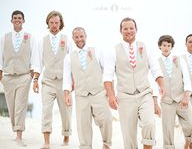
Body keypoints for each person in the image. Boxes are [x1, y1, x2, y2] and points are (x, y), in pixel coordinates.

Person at [103, 17, 164, 149]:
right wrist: (111, 96)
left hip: (144, 93)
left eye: (131, 28)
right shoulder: (113, 50)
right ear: (121, 31)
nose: (128, 31)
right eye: (125, 28)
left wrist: (161, 85)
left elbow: (155, 69)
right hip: (125, 96)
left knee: (149, 124)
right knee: (128, 135)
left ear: (136, 30)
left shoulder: (146, 46)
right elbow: (107, 77)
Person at [63, 27, 112, 149]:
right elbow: (67, 78)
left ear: (85, 36)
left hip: (99, 92)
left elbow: (107, 72)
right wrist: (66, 94)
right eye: (76, 37)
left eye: (81, 36)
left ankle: (106, 144)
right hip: (81, 95)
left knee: (106, 119)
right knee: (82, 125)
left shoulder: (97, 51)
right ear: (73, 38)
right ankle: (85, 146)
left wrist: (111, 92)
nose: (79, 39)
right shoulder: (69, 57)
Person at [33, 10, 72, 149]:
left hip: (64, 82)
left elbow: (72, 62)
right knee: (46, 110)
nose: (54, 25)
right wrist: (36, 79)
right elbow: (37, 62)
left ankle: (66, 137)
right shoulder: (41, 40)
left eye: (56, 22)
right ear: (47, 23)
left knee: (66, 110)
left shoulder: (67, 39)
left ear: (60, 23)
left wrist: (73, 82)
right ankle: (46, 141)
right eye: (51, 23)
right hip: (48, 80)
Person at [0, 10, 37, 146]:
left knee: (21, 105)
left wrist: (33, 74)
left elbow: (34, 56)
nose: (17, 20)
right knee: (11, 106)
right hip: (8, 76)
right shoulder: (5, 37)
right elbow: (0, 55)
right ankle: (15, 129)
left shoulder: (30, 37)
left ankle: (19, 135)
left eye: (19, 18)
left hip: (24, 76)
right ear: (11, 20)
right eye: (15, 18)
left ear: (23, 20)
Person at [157, 35, 192, 149]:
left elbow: (187, 79)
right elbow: (153, 80)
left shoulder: (179, 60)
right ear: (160, 46)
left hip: (181, 99)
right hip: (166, 101)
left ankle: (187, 143)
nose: (166, 48)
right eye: (164, 45)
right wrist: (156, 99)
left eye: (169, 45)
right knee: (168, 130)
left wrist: (186, 96)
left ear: (172, 47)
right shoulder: (156, 62)